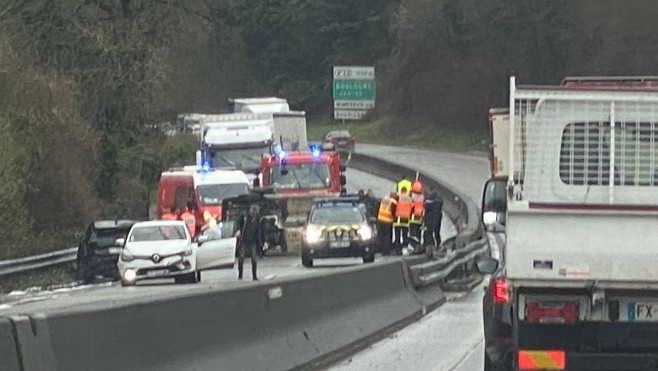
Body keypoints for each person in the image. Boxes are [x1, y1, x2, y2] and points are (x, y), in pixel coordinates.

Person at [235, 204, 263, 280]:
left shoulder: (258, 220)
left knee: (254, 258)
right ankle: (240, 275)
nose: (254, 215)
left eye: (255, 213)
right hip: (244, 239)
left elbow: (260, 231)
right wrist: (238, 230)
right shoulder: (244, 217)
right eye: (253, 213)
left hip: (253, 241)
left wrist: (261, 243)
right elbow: (238, 224)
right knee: (241, 258)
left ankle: (254, 276)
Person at [393, 186, 413, 255]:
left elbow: (393, 207)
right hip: (406, 220)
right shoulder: (410, 199)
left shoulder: (397, 197)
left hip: (398, 219)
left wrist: (394, 215)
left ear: (401, 191)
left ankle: (398, 250)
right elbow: (412, 209)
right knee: (405, 235)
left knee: (397, 236)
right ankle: (405, 249)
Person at [409, 180, 425, 253]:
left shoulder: (411, 196)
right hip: (420, 218)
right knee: (419, 233)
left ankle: (414, 247)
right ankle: (419, 247)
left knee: (412, 234)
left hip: (412, 218)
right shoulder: (422, 197)